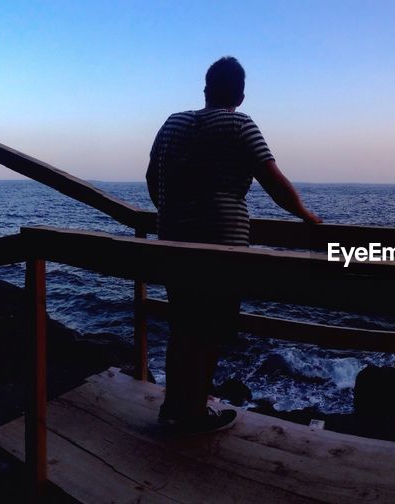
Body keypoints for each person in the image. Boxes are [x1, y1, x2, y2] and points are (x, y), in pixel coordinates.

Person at [146, 56, 321, 434]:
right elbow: (273, 182)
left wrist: (175, 214)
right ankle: (193, 413)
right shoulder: (240, 124)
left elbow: (151, 178)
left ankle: (174, 406)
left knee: (183, 326)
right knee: (208, 330)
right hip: (221, 248)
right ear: (240, 96)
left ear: (206, 89)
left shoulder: (172, 123)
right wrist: (308, 217)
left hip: (173, 243)